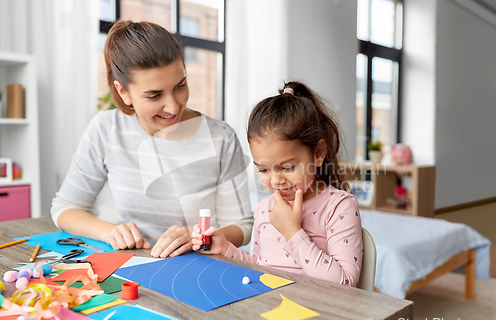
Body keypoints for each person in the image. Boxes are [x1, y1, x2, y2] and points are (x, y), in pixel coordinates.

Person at [51, 20, 253, 258]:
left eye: (180, 86)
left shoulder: (221, 138)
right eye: (154, 95)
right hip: (132, 266)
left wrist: (200, 239)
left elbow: (243, 225)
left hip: (198, 265)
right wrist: (110, 232)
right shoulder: (107, 129)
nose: (172, 106)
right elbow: (65, 208)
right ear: (123, 92)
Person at [192, 82, 363, 286]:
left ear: (318, 154)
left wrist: (292, 232)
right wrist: (225, 249)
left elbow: (345, 284)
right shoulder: (265, 209)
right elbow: (262, 268)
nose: (275, 181)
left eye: (288, 167)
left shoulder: (338, 206)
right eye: (263, 170)